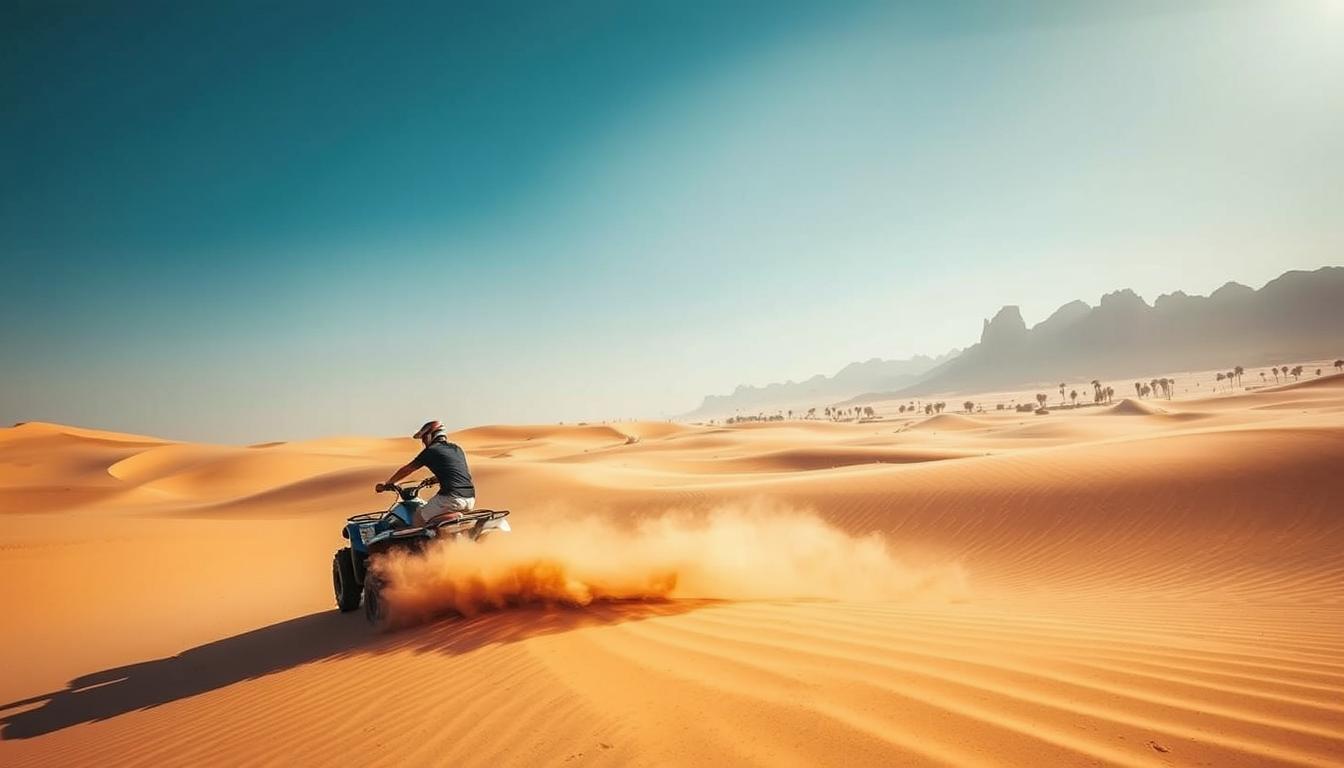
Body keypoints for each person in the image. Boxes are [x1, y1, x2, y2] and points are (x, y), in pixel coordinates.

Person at [376, 420, 476, 525]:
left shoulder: (431, 451)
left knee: (418, 516)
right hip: (469, 499)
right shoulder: (457, 449)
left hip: (450, 498)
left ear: (430, 435)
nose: (423, 442)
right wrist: (434, 479)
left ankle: (421, 542)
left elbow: (408, 469)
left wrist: (388, 483)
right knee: (432, 517)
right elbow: (456, 471)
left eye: (424, 438)